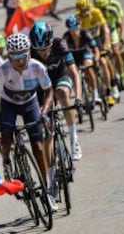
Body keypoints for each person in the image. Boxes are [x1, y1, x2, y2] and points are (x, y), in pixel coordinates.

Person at [0, 33, 56, 210]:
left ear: (29, 54)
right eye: (14, 56)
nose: (19, 60)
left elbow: (49, 91)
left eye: (22, 56)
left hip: (30, 103)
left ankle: (47, 190)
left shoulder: (38, 67)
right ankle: (7, 160)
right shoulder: (2, 70)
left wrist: (45, 112)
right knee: (7, 138)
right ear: (8, 56)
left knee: (39, 148)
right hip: (9, 104)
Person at [29, 21, 83, 161]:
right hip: (43, 85)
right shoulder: (31, 51)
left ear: (51, 43)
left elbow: (74, 72)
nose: (43, 53)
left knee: (62, 93)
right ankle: (52, 177)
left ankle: (74, 139)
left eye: (46, 48)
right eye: (39, 50)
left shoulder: (60, 44)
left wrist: (78, 98)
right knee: (47, 128)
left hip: (60, 76)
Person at [75, 0, 119, 105]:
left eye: (87, 9)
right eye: (83, 11)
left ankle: (111, 90)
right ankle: (92, 89)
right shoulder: (77, 18)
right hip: (87, 43)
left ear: (90, 7)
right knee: (88, 66)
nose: (86, 13)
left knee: (104, 62)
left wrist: (106, 44)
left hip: (99, 39)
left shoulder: (96, 12)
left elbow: (106, 29)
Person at [63, 15, 101, 104]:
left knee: (88, 67)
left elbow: (96, 49)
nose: (74, 32)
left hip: (85, 53)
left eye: (75, 28)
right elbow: (63, 55)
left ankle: (96, 95)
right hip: (74, 56)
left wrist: (96, 58)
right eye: (71, 29)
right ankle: (79, 95)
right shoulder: (66, 37)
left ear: (79, 26)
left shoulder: (85, 34)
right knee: (72, 72)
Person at [95, 0, 124, 93]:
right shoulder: (96, 15)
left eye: (104, 9)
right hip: (101, 35)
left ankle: (121, 76)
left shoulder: (112, 10)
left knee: (116, 52)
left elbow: (121, 25)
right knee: (106, 57)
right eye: (100, 9)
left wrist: (121, 37)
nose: (102, 11)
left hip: (112, 31)